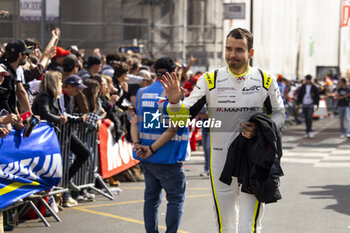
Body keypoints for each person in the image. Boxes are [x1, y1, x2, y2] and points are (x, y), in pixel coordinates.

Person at [161, 28, 285, 233]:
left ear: (250, 53)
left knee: (249, 226)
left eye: (238, 50)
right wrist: (174, 101)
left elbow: (279, 116)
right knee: (225, 225)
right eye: (228, 49)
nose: (232, 55)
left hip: (253, 161)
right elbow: (182, 118)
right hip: (220, 160)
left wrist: (260, 129)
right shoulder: (210, 80)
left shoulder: (265, 80)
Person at [130, 57, 189, 233]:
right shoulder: (172, 96)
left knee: (151, 200)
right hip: (167, 157)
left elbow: (134, 123)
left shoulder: (141, 93)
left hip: (146, 159)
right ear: (174, 74)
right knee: (176, 198)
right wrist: (152, 149)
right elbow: (173, 129)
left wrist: (137, 145)